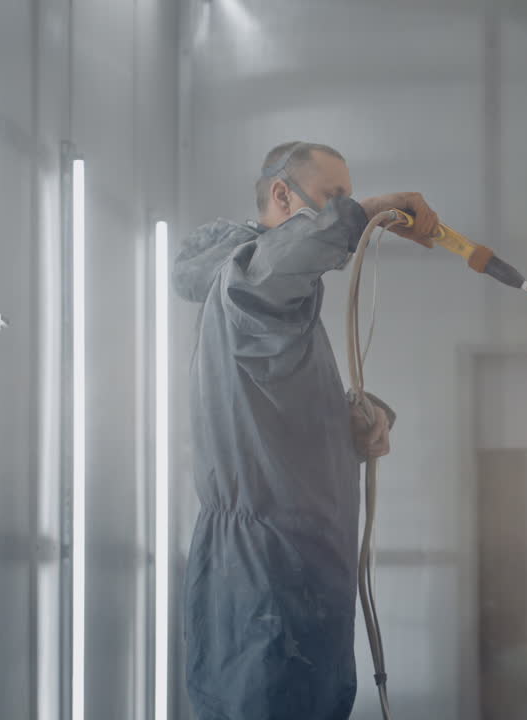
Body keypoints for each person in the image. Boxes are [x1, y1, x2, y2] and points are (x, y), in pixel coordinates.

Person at [172, 140, 439, 719]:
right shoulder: (249, 284)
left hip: (301, 562)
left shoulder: (278, 303)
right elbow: (278, 263)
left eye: (346, 198)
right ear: (280, 195)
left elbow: (281, 419)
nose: (341, 209)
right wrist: (368, 210)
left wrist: (355, 423)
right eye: (331, 197)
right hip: (266, 572)